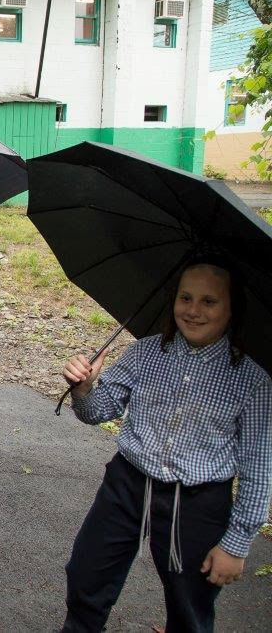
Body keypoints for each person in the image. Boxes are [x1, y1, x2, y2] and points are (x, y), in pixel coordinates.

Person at [59, 257, 271, 632]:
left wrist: (236, 544)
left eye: (209, 301)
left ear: (231, 307)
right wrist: (85, 389)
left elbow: (258, 468)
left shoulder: (252, 380)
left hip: (197, 503)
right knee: (85, 576)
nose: (193, 310)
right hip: (127, 485)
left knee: (190, 603)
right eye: (185, 297)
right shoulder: (145, 353)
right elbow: (97, 411)